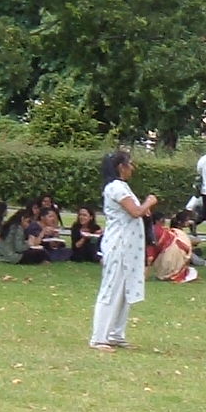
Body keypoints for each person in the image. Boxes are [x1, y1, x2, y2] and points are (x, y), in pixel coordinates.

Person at [91, 149, 155, 350]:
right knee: (111, 290)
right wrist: (149, 202)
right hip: (119, 245)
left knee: (125, 291)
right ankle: (99, 337)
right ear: (121, 167)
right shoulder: (116, 187)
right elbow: (135, 212)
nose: (132, 168)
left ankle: (115, 333)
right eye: (130, 164)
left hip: (129, 247)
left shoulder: (122, 187)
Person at [149, 210, 199, 282]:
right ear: (160, 220)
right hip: (170, 260)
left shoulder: (167, 231)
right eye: (188, 220)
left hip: (165, 260)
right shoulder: (162, 231)